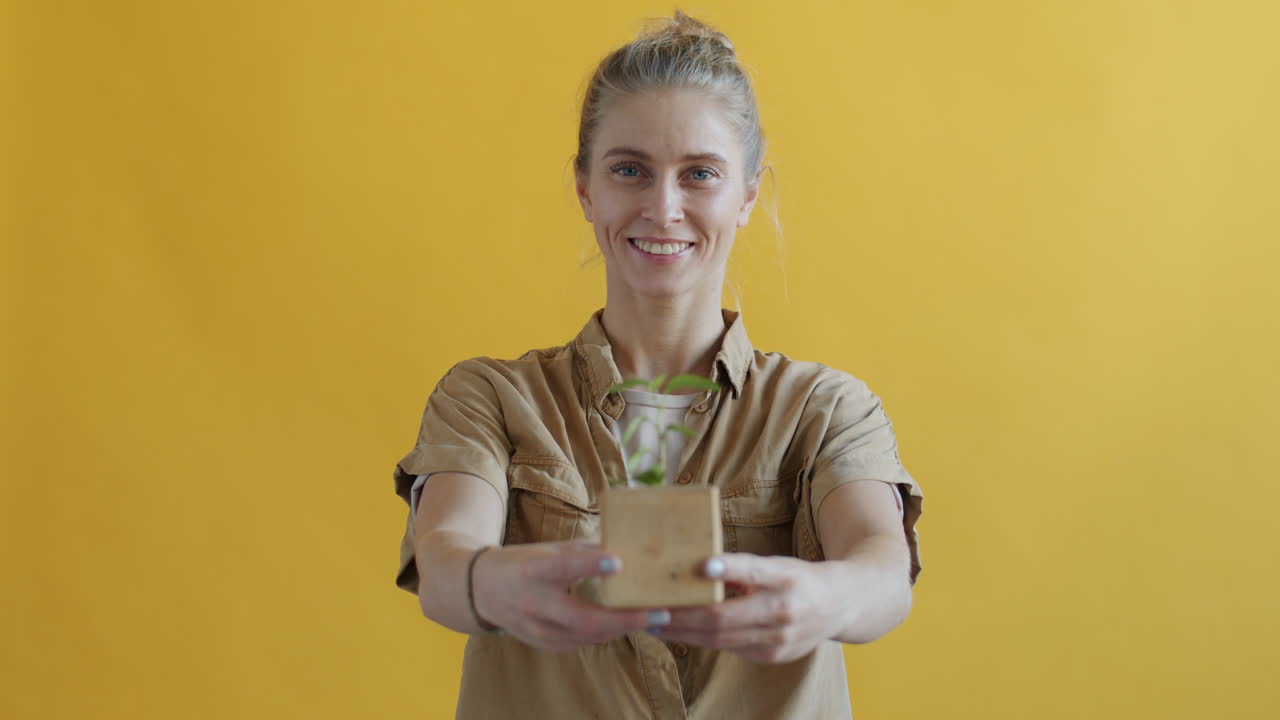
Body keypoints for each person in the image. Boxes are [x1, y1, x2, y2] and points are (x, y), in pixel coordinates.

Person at [391, 11, 924, 719]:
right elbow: (444, 555)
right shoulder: (488, 397)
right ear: (587, 189)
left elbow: (882, 569)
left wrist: (824, 599)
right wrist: (491, 584)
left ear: (748, 194)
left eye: (699, 174)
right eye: (629, 170)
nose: (663, 207)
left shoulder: (825, 408)